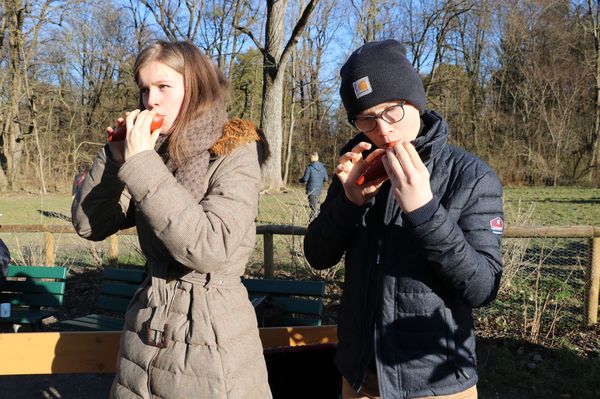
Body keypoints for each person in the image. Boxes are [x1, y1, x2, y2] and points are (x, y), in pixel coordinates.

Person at [304, 40, 503, 399]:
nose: (382, 130)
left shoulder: (470, 176)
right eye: (365, 118)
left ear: (415, 101)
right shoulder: (356, 168)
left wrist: (424, 211)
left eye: (391, 111)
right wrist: (349, 202)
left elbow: (483, 287)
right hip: (359, 376)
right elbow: (318, 256)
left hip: (437, 381)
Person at [72, 40, 272, 399]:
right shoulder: (150, 151)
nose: (151, 100)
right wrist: (114, 157)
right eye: (145, 89)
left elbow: (210, 246)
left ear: (195, 88)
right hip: (145, 329)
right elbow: (91, 225)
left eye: (164, 87)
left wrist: (142, 165)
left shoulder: (236, 149)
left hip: (210, 336)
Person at [299, 151, 328, 220]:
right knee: (315, 209)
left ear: (311, 158)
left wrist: (300, 180)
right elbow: (326, 179)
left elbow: (305, 179)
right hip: (318, 191)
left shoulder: (309, 168)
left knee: (314, 210)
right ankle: (313, 224)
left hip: (311, 191)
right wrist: (320, 181)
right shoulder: (323, 168)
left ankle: (310, 225)